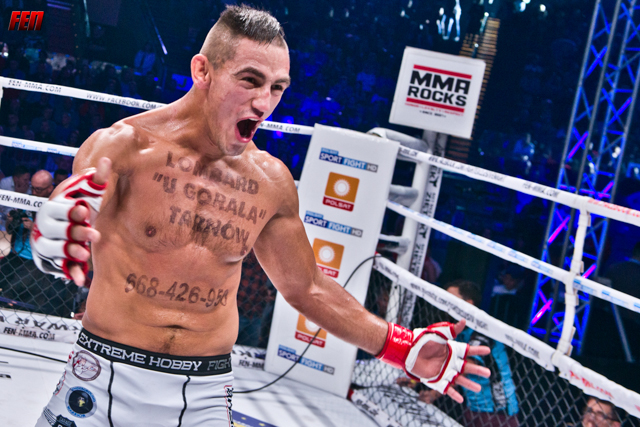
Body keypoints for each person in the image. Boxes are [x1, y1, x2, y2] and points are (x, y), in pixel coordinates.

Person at [31, 6, 491, 426]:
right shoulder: (123, 147)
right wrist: (49, 236)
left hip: (205, 395)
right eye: (250, 81)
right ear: (202, 70)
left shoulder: (270, 182)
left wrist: (403, 347)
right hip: (101, 376)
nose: (264, 103)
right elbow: (70, 215)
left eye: (277, 88)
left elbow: (307, 287)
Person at [397, 280, 519, 427]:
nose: (446, 305)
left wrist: (433, 394)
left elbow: (461, 369)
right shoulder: (458, 331)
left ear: (469, 304)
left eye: (451, 299)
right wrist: (414, 381)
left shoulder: (483, 332)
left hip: (499, 414)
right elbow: (441, 362)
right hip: (473, 408)